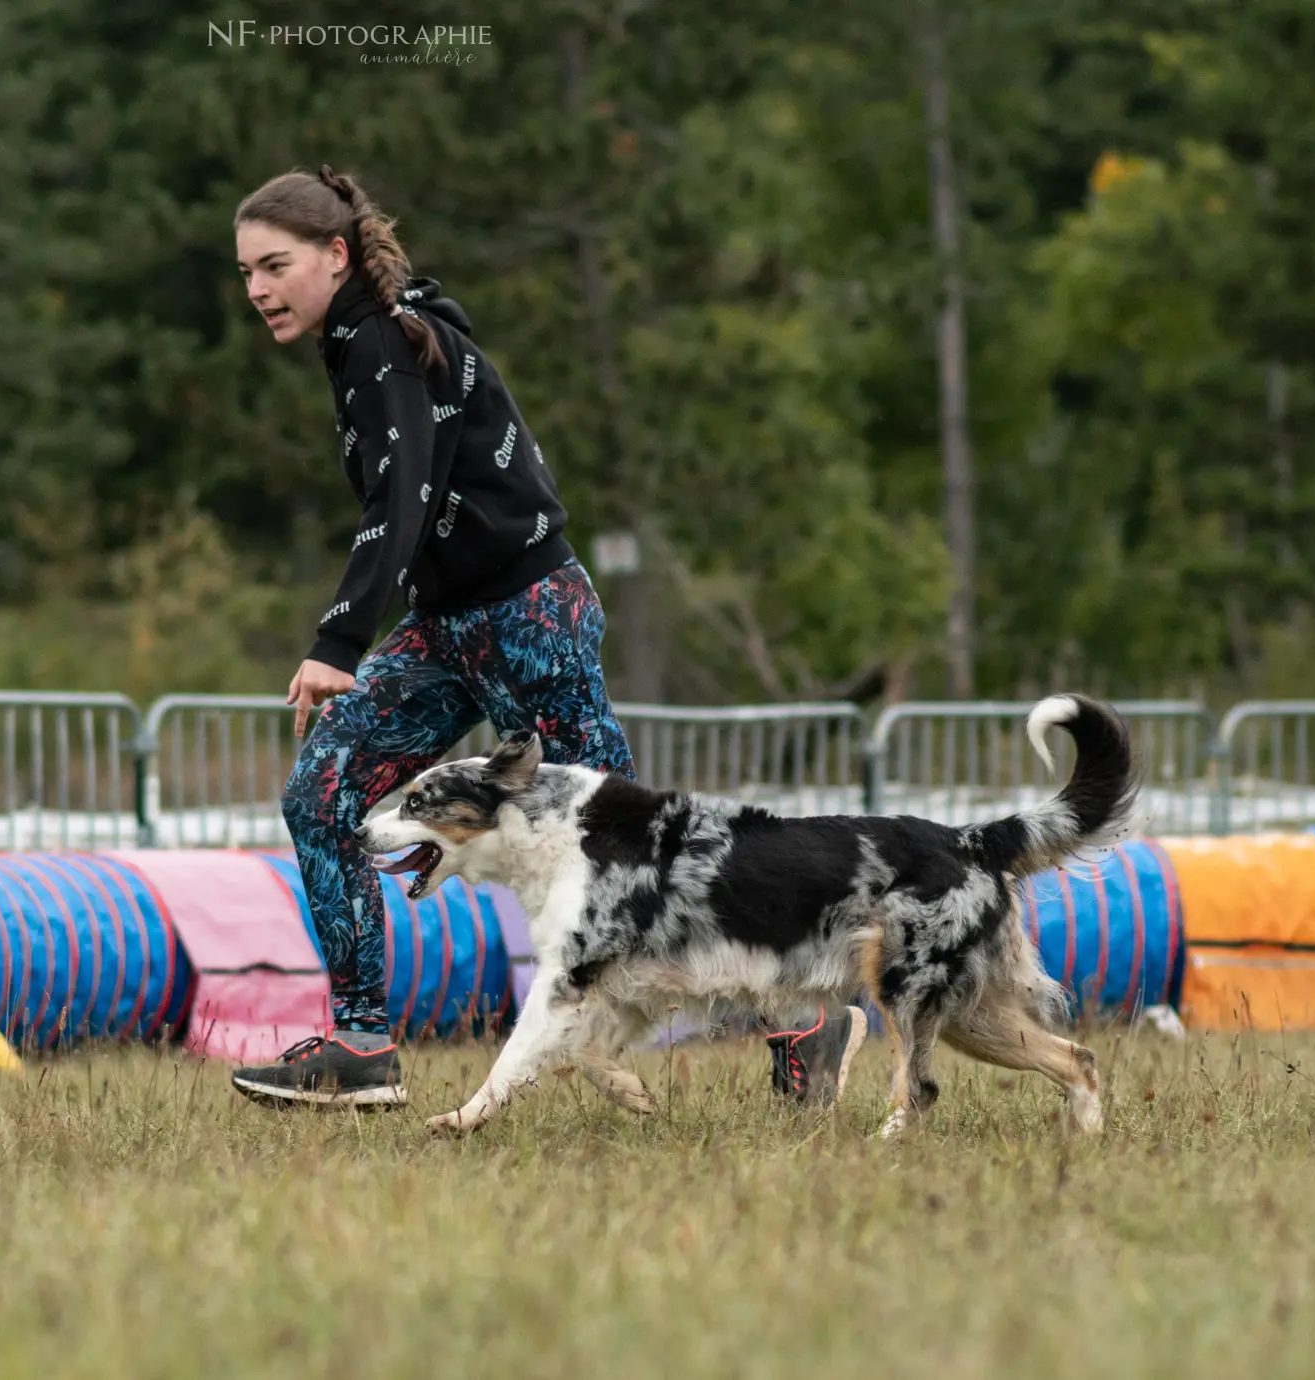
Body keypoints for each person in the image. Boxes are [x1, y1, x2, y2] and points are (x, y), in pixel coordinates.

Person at [225, 164, 863, 1109]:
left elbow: (400, 507)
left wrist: (337, 644)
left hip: (530, 617)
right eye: (244, 273)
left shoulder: (387, 346)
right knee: (322, 797)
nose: (257, 290)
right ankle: (361, 1045)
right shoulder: (367, 338)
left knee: (633, 858)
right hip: (445, 630)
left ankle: (802, 1017)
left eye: (273, 266)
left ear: (336, 255)